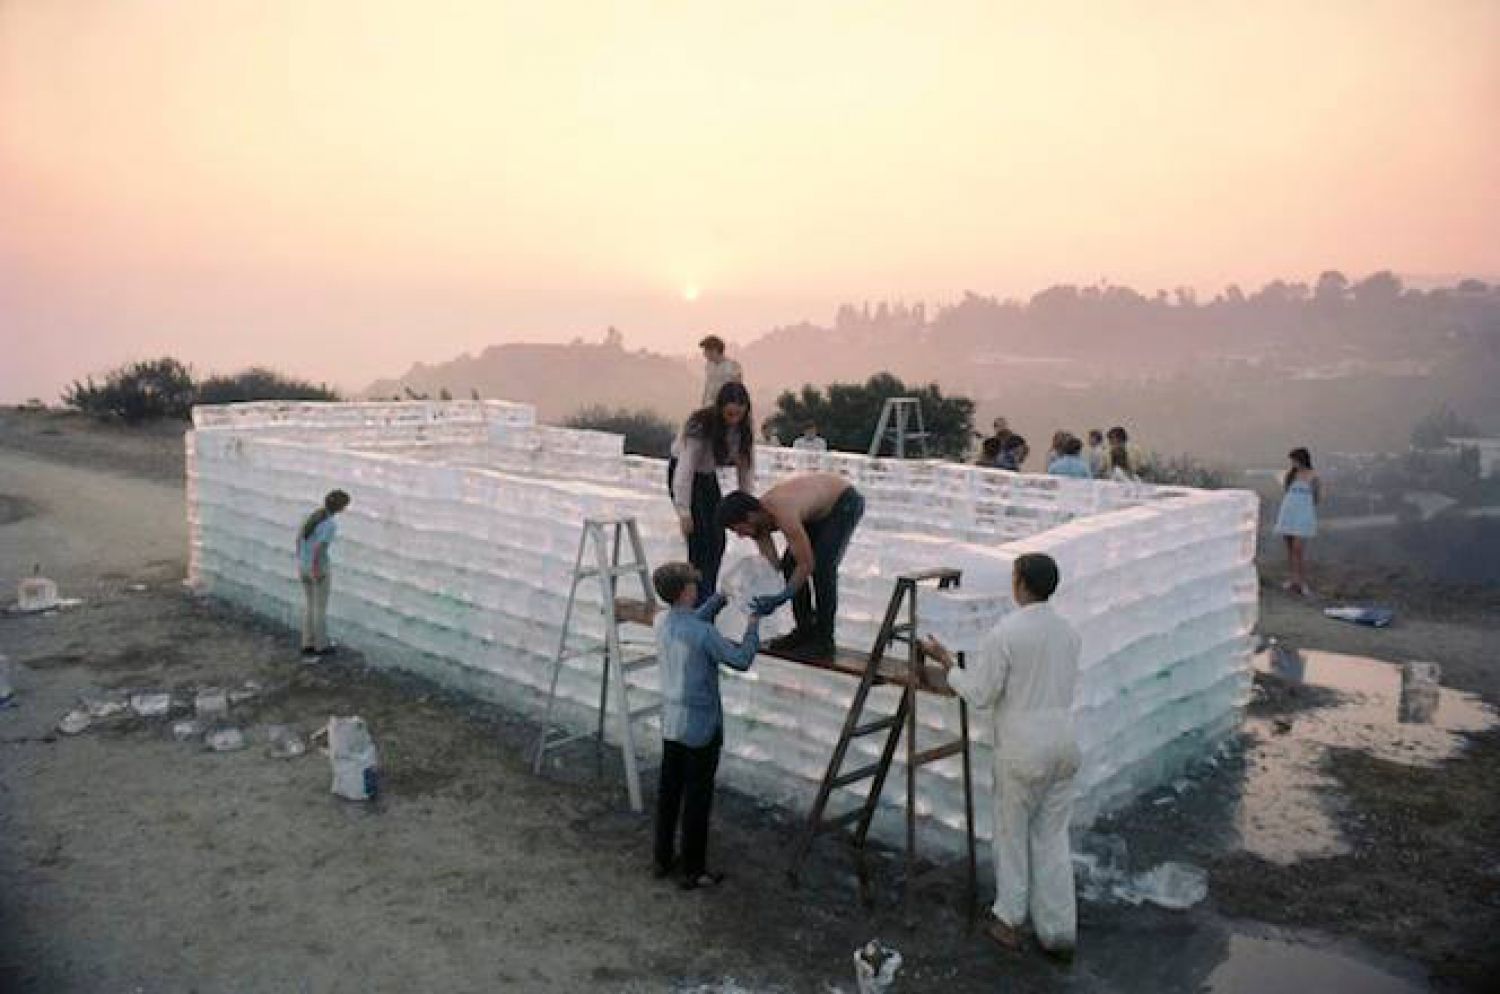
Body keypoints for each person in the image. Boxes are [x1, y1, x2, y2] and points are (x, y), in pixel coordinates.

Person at [921, 553, 1081, 961]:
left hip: (1023, 749)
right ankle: (1058, 931)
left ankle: (1009, 920)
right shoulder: (1068, 631)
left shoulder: (1006, 633)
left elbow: (981, 694)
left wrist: (947, 665)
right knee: (1052, 839)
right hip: (1063, 742)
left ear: (1022, 584)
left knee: (1012, 837)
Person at [650, 562, 764, 890]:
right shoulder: (704, 634)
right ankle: (693, 869)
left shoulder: (661, 622)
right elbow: (741, 659)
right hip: (700, 726)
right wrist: (753, 626)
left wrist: (719, 599)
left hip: (671, 721)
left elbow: (689, 623)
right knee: (698, 799)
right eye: (693, 585)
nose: (696, 589)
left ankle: (662, 858)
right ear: (686, 592)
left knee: (669, 794)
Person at [716, 473, 865, 661]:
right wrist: (753, 589)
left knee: (823, 569)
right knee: (789, 565)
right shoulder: (758, 525)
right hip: (815, 511)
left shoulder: (783, 512)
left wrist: (782, 596)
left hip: (843, 502)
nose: (740, 535)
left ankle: (824, 640)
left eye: (737, 529)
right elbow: (774, 567)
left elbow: (806, 564)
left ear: (751, 516)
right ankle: (804, 630)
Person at [668, 381, 755, 602]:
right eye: (729, 413)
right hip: (685, 476)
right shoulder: (701, 424)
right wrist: (684, 512)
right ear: (721, 408)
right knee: (699, 538)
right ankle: (693, 599)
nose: (733, 417)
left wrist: (748, 510)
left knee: (717, 539)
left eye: (738, 412)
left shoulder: (743, 431)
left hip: (707, 477)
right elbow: (685, 470)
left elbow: (746, 472)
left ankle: (707, 596)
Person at [296, 489, 351, 661]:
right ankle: (321, 645)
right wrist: (315, 569)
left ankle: (307, 643)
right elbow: (319, 548)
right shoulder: (330, 525)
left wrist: (301, 560)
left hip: (302, 566)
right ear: (340, 507)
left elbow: (298, 540)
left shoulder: (312, 517)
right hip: (318, 568)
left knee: (310, 606)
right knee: (319, 609)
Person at [1273, 447, 1321, 596]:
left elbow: (1317, 496)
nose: (1293, 463)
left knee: (1298, 549)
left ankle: (1302, 582)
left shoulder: (1313, 476)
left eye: (1295, 460)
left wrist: (1306, 507)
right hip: (1289, 510)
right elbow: (1286, 491)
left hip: (1303, 512)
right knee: (1290, 549)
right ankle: (1293, 580)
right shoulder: (1290, 475)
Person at [698, 334, 743, 408]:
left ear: (714, 350)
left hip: (726, 407)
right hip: (710, 406)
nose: (704, 354)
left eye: (706, 350)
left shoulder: (733, 366)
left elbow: (738, 389)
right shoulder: (709, 366)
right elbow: (708, 387)